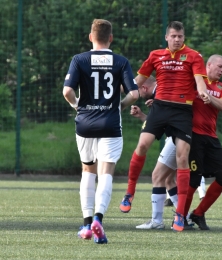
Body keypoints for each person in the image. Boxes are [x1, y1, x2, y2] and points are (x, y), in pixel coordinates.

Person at [119, 21, 210, 232]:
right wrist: (118, 100)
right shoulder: (155, 56)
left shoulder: (194, 56)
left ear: (183, 37)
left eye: (180, 36)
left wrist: (203, 91)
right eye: (173, 36)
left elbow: (199, 81)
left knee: (182, 157)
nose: (177, 39)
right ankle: (130, 192)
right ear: (167, 37)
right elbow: (136, 83)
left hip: (182, 111)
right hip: (160, 108)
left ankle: (179, 215)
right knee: (142, 145)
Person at [63, 19, 139, 244]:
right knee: (106, 172)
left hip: (85, 123)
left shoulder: (79, 60)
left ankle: (86, 225)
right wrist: (121, 105)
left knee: (88, 171)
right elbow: (134, 94)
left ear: (90, 37)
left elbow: (67, 91)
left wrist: (77, 105)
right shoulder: (121, 61)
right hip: (110, 124)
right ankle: (98, 220)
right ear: (111, 38)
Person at [130, 76, 205, 229]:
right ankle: (183, 217)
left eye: (138, 89)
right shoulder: (160, 96)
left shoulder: (164, 92)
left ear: (144, 87)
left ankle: (159, 221)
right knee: (168, 180)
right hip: (182, 134)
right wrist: (144, 116)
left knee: (158, 176)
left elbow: (168, 119)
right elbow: (161, 123)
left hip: (180, 136)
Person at [184, 54, 222, 230]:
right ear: (208, 65)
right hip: (193, 136)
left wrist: (209, 98)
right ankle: (180, 217)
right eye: (219, 66)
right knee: (193, 179)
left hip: (211, 137)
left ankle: (198, 213)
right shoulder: (196, 80)